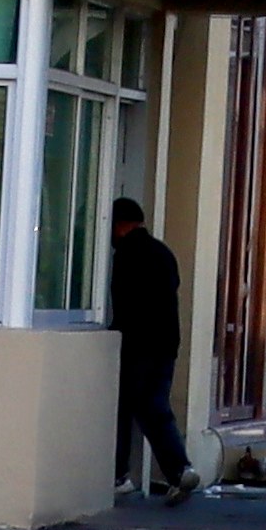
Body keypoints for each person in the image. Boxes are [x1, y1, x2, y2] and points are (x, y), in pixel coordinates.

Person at [106, 197, 196, 504]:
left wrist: (115, 334)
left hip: (137, 345)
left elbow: (124, 303)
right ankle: (180, 471)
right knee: (155, 406)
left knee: (123, 409)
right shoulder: (163, 252)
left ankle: (119, 475)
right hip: (166, 343)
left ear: (120, 225)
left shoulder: (126, 255)